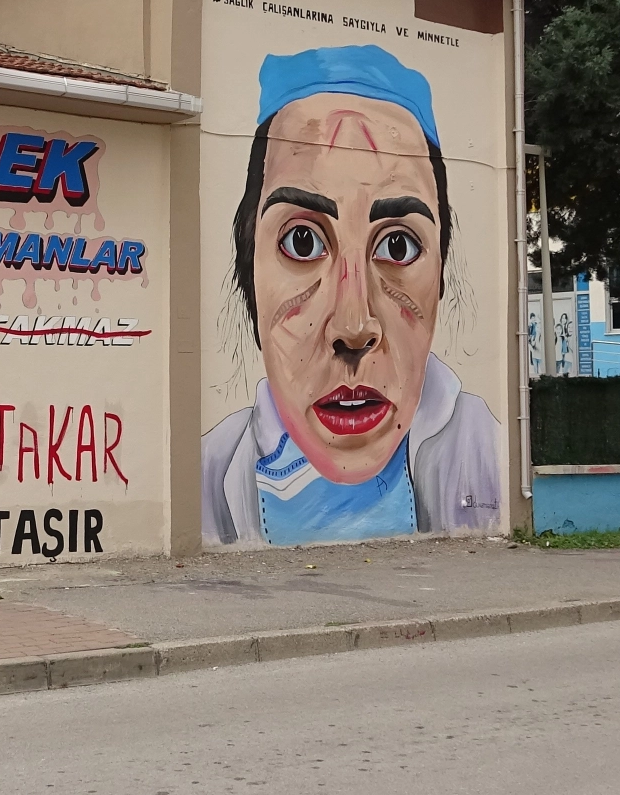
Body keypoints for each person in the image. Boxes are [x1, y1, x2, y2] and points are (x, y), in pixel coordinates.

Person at [202, 44, 501, 547]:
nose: (354, 327)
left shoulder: (488, 453)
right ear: (248, 268)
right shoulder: (206, 477)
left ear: (441, 273)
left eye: (398, 246)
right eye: (302, 241)